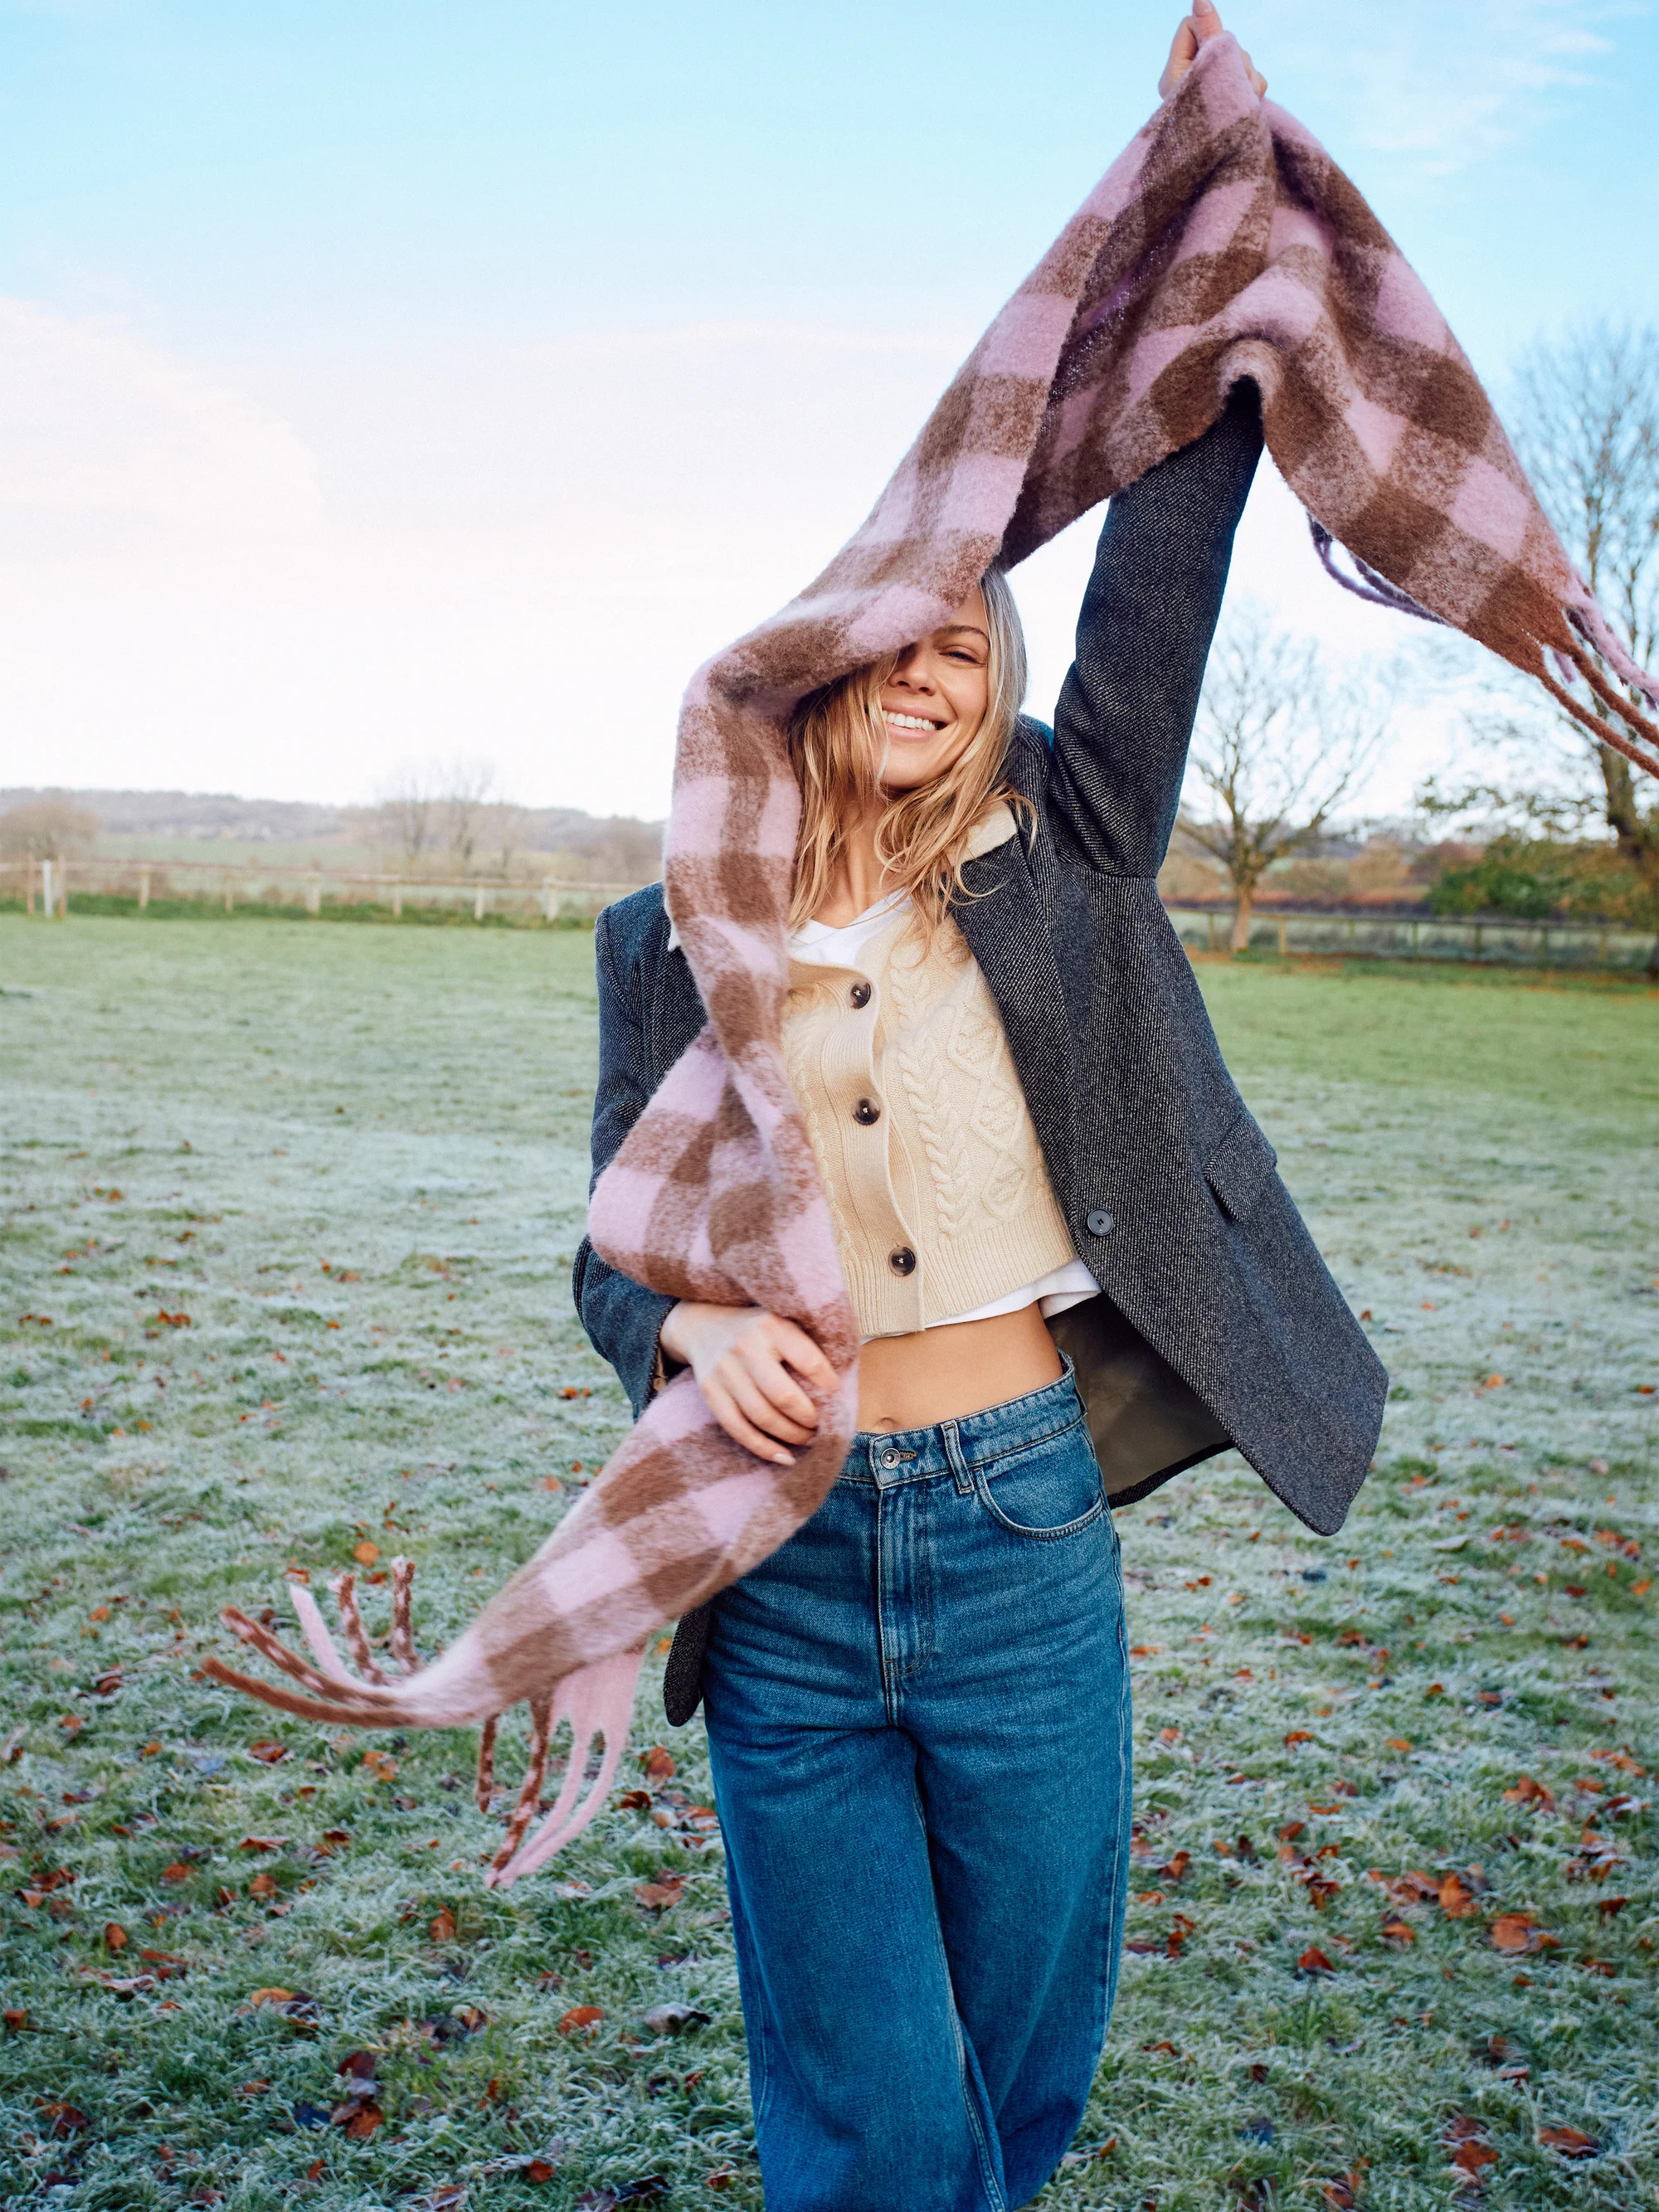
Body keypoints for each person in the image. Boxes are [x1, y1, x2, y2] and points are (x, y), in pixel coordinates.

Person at [573, 11, 1384, 2205]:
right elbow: (608, 1243)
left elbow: (1164, 553)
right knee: (867, 2111)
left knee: (1014, 2078)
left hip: (1026, 1520)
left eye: (975, 648)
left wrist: (1207, 192)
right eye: (900, 641)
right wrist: (681, 1334)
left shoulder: (1073, 848)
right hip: (794, 1545)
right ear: (828, 652)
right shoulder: (673, 929)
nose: (939, 674)